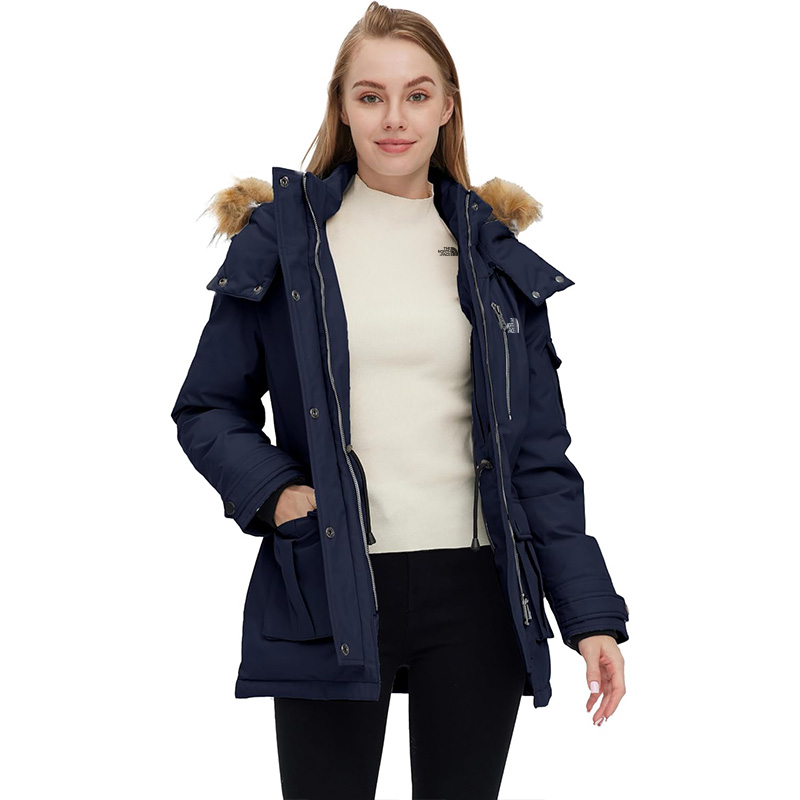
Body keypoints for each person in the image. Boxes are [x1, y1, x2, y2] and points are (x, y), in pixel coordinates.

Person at [170, 3, 630, 798]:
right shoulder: (282, 243)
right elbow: (208, 407)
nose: (394, 118)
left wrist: (589, 615)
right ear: (342, 106)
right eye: (370, 96)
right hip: (329, 580)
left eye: (416, 95)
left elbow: (539, 458)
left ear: (447, 105)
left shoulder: (492, 251)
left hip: (480, 592)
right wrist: (280, 496)